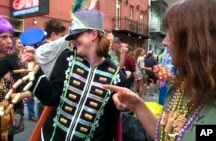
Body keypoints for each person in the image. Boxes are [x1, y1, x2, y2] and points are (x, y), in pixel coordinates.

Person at [104, 0, 216, 140]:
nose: (164, 42)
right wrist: (137, 105)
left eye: (172, 35)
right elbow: (166, 134)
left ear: (197, 41)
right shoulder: (182, 87)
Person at [22, 10, 126, 141]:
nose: (73, 41)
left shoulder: (117, 76)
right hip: (52, 137)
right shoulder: (66, 59)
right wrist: (35, 70)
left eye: (77, 36)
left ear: (93, 34)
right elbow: (51, 99)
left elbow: (111, 124)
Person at [36, 19, 67, 119]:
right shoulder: (51, 47)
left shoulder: (40, 48)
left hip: (43, 96)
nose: (62, 38)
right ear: (54, 35)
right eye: (61, 35)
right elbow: (71, 36)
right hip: (51, 97)